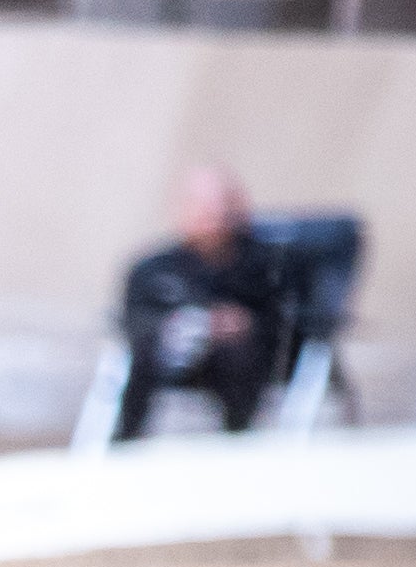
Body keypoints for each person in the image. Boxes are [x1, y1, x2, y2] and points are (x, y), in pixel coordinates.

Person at [113, 165, 300, 442]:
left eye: (220, 205)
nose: (212, 215)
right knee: (145, 352)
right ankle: (124, 445)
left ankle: (237, 443)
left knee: (236, 354)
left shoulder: (270, 266)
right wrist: (175, 326)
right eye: (201, 205)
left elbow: (291, 320)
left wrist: (244, 323)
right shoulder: (153, 268)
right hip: (175, 358)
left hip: (246, 362)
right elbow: (134, 319)